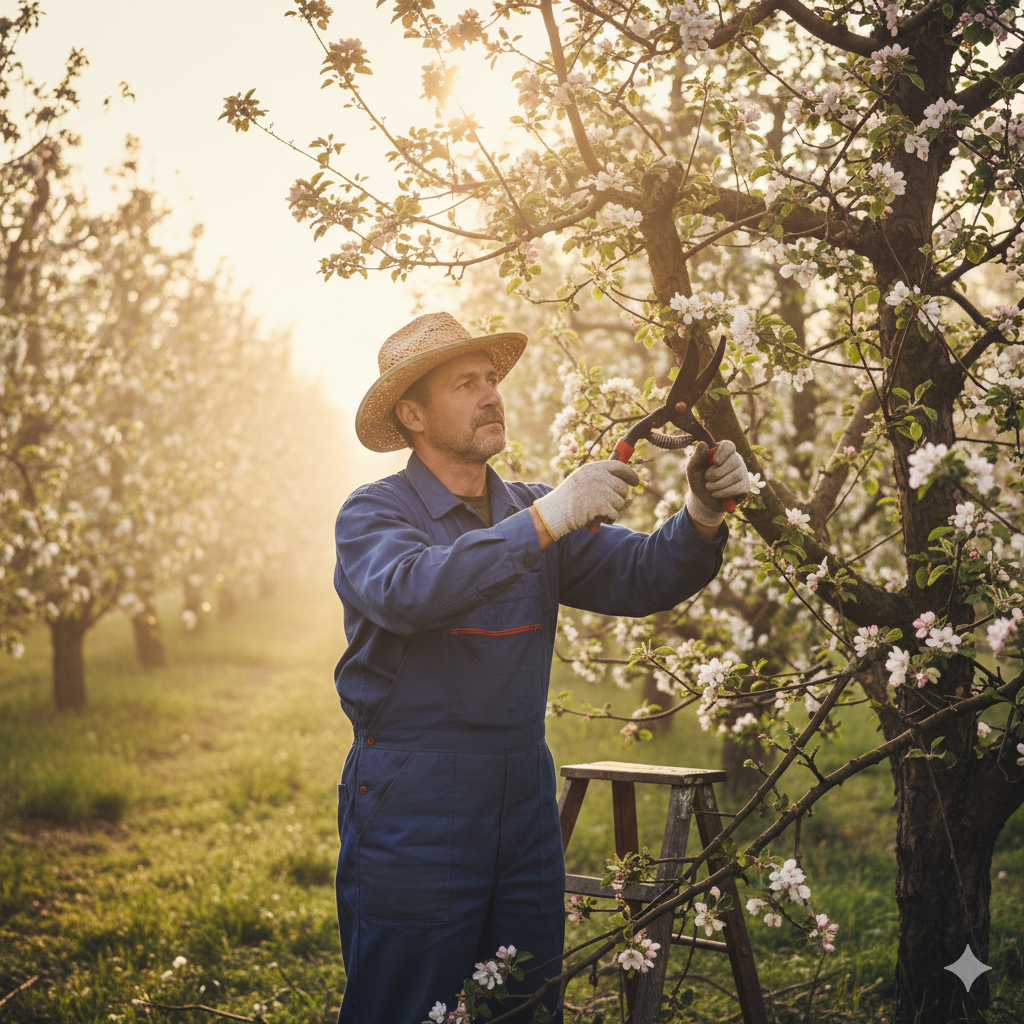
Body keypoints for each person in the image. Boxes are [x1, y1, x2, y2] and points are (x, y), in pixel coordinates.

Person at [332, 312, 750, 1023]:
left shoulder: (532, 509)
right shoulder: (374, 513)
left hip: (524, 798)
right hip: (413, 797)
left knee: (524, 1000)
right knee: (404, 1004)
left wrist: (702, 511)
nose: (490, 395)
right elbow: (410, 591)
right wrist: (547, 520)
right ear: (413, 415)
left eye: (491, 379)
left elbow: (644, 574)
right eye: (465, 384)